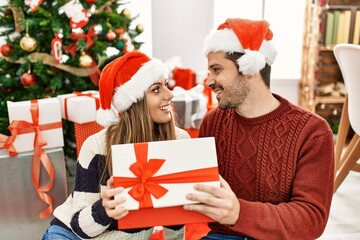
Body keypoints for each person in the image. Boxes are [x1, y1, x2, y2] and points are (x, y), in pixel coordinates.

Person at [183, 18, 335, 240]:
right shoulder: (212, 123)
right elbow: (190, 191)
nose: (208, 80)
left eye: (216, 69)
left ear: (250, 69)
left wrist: (239, 213)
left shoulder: (312, 133)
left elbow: (311, 219)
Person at [42, 51, 190, 239]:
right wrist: (104, 209)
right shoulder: (96, 146)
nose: (170, 94)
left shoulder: (179, 141)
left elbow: (176, 217)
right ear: (133, 103)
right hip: (70, 234)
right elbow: (79, 227)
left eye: (165, 85)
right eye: (156, 89)